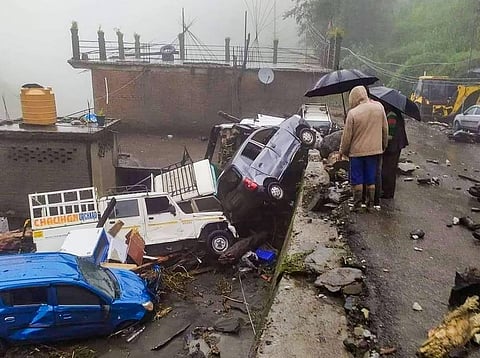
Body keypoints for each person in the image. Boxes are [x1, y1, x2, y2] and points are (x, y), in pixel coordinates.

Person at [340, 86, 388, 211]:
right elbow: (385, 129)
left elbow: (347, 137)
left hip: (356, 153)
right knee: (370, 178)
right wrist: (383, 145)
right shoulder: (379, 107)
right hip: (375, 151)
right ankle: (370, 204)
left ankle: (357, 205)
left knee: (357, 178)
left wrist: (343, 151)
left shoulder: (353, 113)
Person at [381, 105, 408, 198]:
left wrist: (383, 142)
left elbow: (390, 134)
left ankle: (387, 193)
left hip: (394, 146)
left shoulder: (391, 115)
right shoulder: (395, 114)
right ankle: (388, 191)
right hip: (396, 144)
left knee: (388, 169)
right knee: (390, 169)